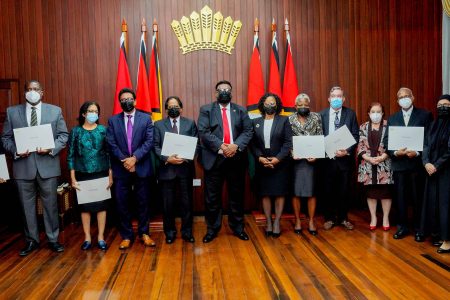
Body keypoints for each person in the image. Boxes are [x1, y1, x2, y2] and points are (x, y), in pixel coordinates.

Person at [1, 80, 68, 256]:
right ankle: (32, 241)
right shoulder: (12, 112)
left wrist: (51, 148)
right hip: (23, 167)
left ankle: (53, 240)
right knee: (26, 206)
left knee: (51, 205)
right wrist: (16, 150)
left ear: (42, 92)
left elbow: (63, 135)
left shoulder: (55, 111)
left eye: (35, 89)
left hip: (48, 166)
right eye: (29, 89)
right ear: (25, 93)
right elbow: (5, 138)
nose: (32, 92)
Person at [198, 80, 253, 243]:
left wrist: (235, 146)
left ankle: (238, 228)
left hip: (236, 159)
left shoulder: (241, 110)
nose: (224, 92)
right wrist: (222, 146)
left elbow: (248, 130)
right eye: (221, 89)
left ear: (231, 93)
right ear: (216, 93)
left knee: (236, 195)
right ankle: (212, 229)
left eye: (227, 89)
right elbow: (203, 131)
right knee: (212, 197)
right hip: (214, 159)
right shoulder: (206, 110)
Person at [106, 88, 155, 249]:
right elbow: (111, 143)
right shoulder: (113, 121)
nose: (126, 101)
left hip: (141, 166)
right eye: (123, 99)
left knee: (144, 202)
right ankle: (126, 235)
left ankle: (144, 233)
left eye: (129, 99)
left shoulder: (146, 119)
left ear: (134, 101)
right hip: (121, 168)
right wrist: (125, 161)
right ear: (120, 103)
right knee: (122, 203)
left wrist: (134, 159)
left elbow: (149, 141)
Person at [383, 87, 433, 240]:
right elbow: (387, 141)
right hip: (399, 165)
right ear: (397, 101)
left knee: (418, 198)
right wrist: (395, 152)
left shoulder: (425, 115)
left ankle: (420, 229)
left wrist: (418, 153)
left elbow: (429, 139)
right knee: (400, 198)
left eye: (407, 96)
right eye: (400, 97)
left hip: (417, 164)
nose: (404, 98)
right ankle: (402, 227)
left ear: (413, 97)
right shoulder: (392, 118)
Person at [67, 101, 112, 251]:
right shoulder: (76, 131)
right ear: (83, 114)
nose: (93, 113)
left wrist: (110, 174)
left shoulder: (103, 130)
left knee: (101, 206)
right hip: (82, 173)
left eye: (95, 111)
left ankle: (100, 237)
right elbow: (71, 155)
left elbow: (109, 153)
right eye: (90, 110)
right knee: (85, 207)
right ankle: (87, 237)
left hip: (101, 172)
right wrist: (72, 177)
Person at [154, 96, 198, 244]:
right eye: (170, 106)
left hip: (185, 169)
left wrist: (187, 156)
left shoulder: (190, 123)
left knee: (187, 204)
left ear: (181, 108)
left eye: (176, 106)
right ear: (166, 109)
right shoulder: (158, 125)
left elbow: (196, 144)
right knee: (168, 204)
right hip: (167, 171)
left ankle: (187, 232)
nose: (173, 108)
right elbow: (155, 146)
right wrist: (167, 158)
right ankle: (170, 233)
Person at [250, 93, 292, 238]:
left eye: (272, 103)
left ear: (277, 105)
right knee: (265, 193)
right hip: (262, 163)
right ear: (262, 105)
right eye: (267, 103)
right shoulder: (255, 121)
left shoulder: (284, 120)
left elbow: (288, 143)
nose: (270, 105)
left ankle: (277, 222)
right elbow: (252, 143)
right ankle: (268, 221)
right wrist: (260, 158)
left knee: (279, 192)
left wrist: (278, 159)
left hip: (279, 163)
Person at [319, 86, 359, 230]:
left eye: (339, 96)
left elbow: (355, 135)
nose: (336, 98)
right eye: (333, 96)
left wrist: (347, 151)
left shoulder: (350, 114)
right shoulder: (321, 115)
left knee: (344, 191)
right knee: (328, 190)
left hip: (344, 160)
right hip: (327, 161)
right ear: (329, 99)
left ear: (343, 99)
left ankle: (343, 218)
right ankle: (329, 218)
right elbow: (318, 137)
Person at [419, 95, 450, 253]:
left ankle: (447, 240)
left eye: (446, 104)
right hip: (431, 170)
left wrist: (436, 165)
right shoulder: (432, 125)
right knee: (434, 203)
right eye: (440, 105)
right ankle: (437, 234)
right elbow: (425, 145)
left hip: (446, 171)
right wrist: (426, 162)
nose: (442, 107)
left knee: (445, 205)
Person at [289, 93, 323, 236]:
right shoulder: (289, 119)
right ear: (295, 106)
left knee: (311, 191)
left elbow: (320, 136)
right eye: (300, 105)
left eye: (305, 104)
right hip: (295, 161)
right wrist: (291, 153)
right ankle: (297, 220)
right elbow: (286, 138)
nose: (303, 107)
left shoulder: (316, 117)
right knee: (296, 191)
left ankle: (310, 220)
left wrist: (316, 155)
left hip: (311, 161)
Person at [357, 102, 393, 231]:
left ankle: (385, 218)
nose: (376, 114)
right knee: (371, 193)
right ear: (369, 113)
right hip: (368, 165)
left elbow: (393, 143)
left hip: (385, 165)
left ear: (383, 113)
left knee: (386, 194)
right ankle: (373, 217)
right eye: (373, 112)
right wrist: (368, 158)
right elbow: (360, 144)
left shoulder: (389, 125)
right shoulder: (363, 126)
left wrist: (383, 156)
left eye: (378, 112)